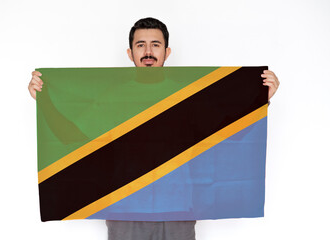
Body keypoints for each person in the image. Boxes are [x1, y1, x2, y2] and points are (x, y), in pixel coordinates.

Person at [28, 17, 280, 240]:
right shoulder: (111, 97)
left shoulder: (189, 96)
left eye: (155, 44)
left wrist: (262, 98)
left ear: (167, 52)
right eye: (141, 45)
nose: (148, 51)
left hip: (178, 210)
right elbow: (74, 138)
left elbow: (228, 135)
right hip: (124, 211)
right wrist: (46, 102)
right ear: (130, 53)